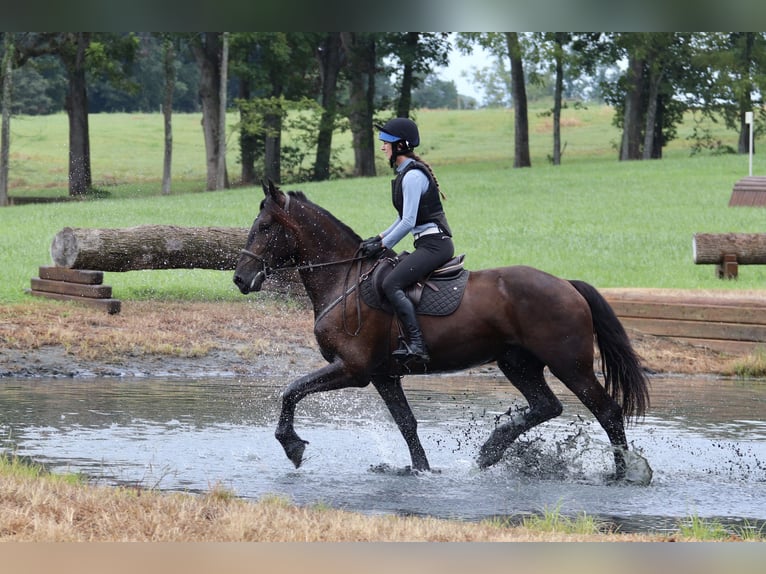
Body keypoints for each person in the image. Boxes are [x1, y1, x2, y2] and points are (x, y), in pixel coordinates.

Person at [359, 117, 454, 364]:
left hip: (435, 244)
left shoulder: (412, 177)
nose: (382, 148)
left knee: (391, 284)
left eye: (386, 143)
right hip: (426, 243)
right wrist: (379, 236)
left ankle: (417, 345)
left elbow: (409, 222)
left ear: (400, 145)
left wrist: (383, 245)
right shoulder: (406, 173)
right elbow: (402, 218)